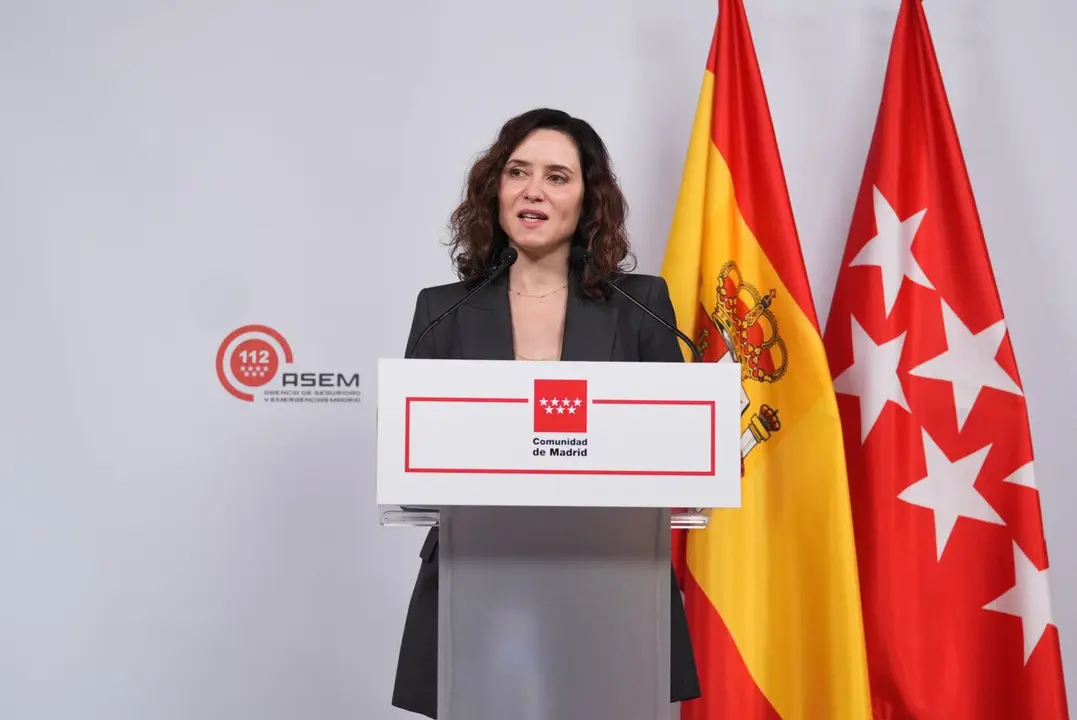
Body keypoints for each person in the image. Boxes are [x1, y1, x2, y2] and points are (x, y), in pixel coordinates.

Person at [391, 107, 701, 718]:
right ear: (495, 189)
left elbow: (676, 453)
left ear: (588, 201)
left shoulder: (640, 305)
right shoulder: (442, 310)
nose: (533, 190)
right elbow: (414, 461)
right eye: (518, 172)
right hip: (477, 584)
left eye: (557, 176)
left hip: (609, 579)